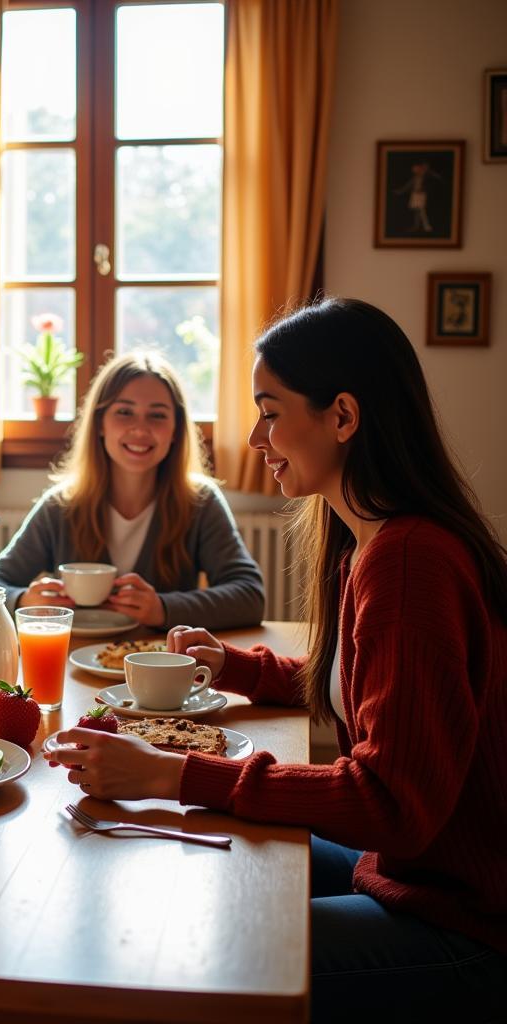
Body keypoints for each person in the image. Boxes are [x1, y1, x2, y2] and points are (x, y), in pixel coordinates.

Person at [48, 299, 507, 1021]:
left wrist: (174, 772)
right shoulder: (374, 544)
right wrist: (235, 669)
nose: (257, 437)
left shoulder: (411, 563)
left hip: (465, 921)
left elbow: (394, 806)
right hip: (404, 875)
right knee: (200, 861)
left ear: (344, 417)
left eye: (270, 410)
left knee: (194, 951)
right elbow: (365, 686)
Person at [0, 350, 264, 630]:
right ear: (100, 423)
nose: (140, 429)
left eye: (158, 415)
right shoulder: (61, 506)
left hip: (160, 669)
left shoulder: (200, 503)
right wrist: (23, 599)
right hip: (73, 667)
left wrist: (162, 608)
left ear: (176, 430)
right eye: (124, 412)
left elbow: (250, 596)